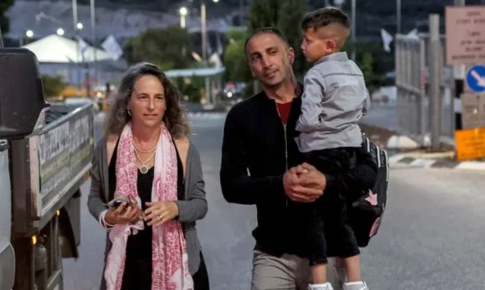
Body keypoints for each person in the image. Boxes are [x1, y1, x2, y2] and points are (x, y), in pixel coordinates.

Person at [220, 27, 378, 290]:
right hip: (274, 255)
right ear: (251, 67)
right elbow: (231, 185)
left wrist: (327, 182)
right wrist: (280, 184)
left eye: (272, 52)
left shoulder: (326, 104)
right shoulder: (241, 116)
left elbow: (368, 169)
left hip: (328, 252)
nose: (266, 63)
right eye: (257, 57)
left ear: (290, 55)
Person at [88, 63, 210, 290]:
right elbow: (95, 197)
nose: (151, 106)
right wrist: (109, 217)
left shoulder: (183, 147)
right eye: (143, 97)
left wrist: (175, 208)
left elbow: (200, 204)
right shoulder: (108, 147)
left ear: (166, 104)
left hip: (180, 270)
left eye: (159, 98)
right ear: (128, 103)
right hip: (125, 271)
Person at [295, 7, 370, 290]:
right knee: (341, 219)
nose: (302, 46)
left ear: (328, 45)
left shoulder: (316, 75)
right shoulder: (355, 70)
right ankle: (355, 282)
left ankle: (319, 284)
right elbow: (365, 107)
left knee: (313, 219)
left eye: (306, 40)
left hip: (320, 153)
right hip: (349, 151)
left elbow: (311, 118)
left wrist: (300, 128)